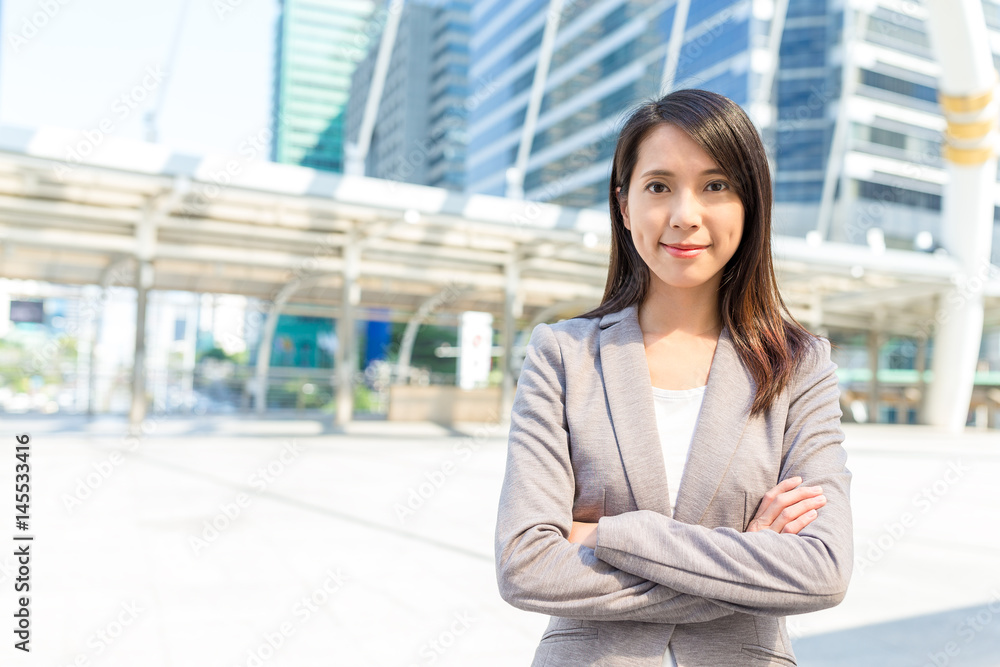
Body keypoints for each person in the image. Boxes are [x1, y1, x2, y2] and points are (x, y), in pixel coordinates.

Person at [493, 89, 853, 666]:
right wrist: (752, 559)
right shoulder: (562, 355)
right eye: (659, 186)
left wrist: (606, 535)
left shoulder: (799, 366)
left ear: (750, 205)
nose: (685, 214)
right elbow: (526, 567)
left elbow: (822, 571)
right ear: (624, 204)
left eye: (716, 185)